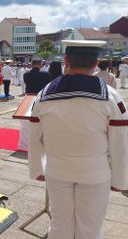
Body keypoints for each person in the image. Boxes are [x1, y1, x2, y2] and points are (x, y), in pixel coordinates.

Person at [29, 40, 128, 239]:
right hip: (95, 172)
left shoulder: (43, 95)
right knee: (90, 228)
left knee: (59, 225)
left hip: (57, 170)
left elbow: (34, 136)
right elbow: (120, 142)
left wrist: (37, 168)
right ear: (95, 63)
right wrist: (120, 178)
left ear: (66, 60)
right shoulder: (111, 97)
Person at [18, 59, 51, 151]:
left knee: (26, 122)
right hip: (41, 98)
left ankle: (25, 144)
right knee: (41, 121)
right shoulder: (46, 74)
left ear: (32, 65)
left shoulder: (26, 74)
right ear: (40, 65)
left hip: (28, 98)